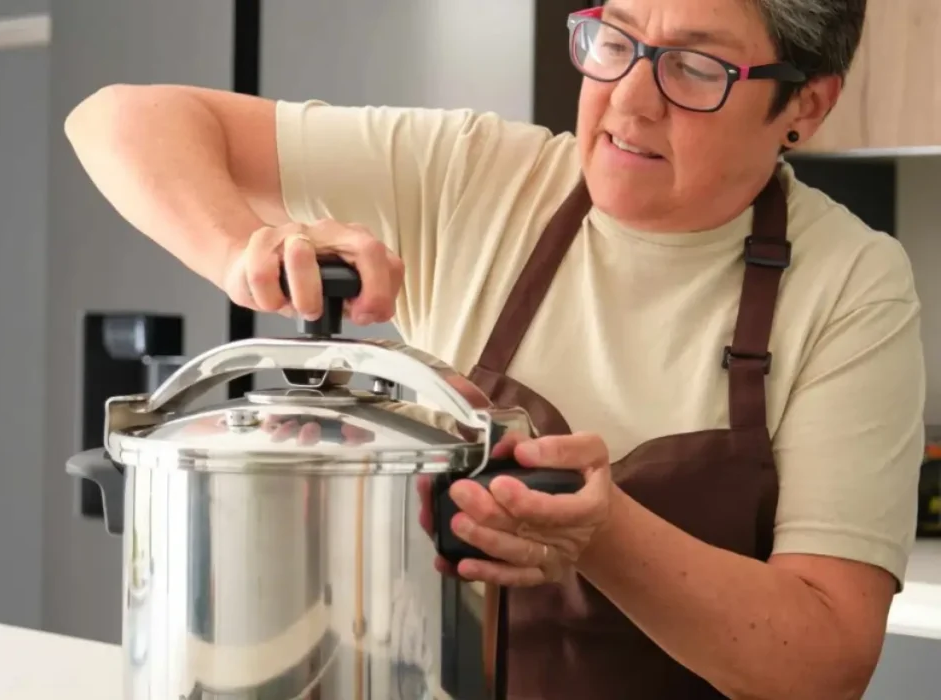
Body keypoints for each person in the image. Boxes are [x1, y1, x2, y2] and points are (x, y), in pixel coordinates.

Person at [63, 0, 925, 697]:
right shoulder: (474, 176)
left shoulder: (852, 285)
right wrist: (240, 250)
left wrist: (602, 534)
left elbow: (824, 664)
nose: (629, 98)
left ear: (806, 104)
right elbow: (119, 118)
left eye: (695, 67)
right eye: (614, 40)